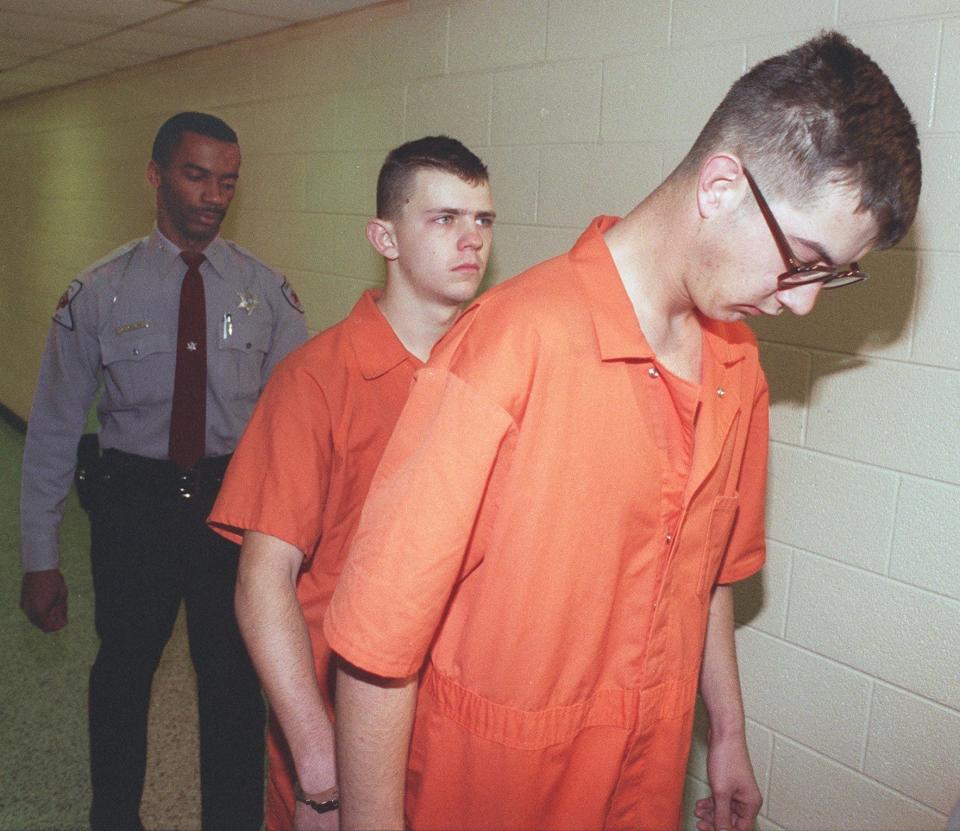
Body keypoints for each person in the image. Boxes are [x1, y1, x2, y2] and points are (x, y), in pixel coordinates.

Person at [323, 32, 922, 831]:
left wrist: (730, 735)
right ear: (719, 187)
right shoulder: (510, 346)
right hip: (488, 796)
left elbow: (707, 574)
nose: (802, 302)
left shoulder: (734, 367)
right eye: (804, 261)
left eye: (831, 275)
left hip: (642, 791)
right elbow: (374, 648)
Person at [18, 111, 308, 831]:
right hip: (134, 512)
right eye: (196, 174)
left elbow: (296, 434)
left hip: (232, 512)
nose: (214, 195)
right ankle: (114, 817)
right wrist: (39, 556)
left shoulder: (268, 295)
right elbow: (53, 428)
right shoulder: (97, 295)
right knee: (120, 677)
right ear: (155, 174)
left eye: (228, 180)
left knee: (238, 686)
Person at [206, 136, 495, 830]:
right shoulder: (317, 380)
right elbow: (262, 581)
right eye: (444, 218)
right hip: (342, 737)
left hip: (455, 732)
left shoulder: (495, 370)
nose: (470, 240)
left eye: (483, 220)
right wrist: (319, 770)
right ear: (384, 237)